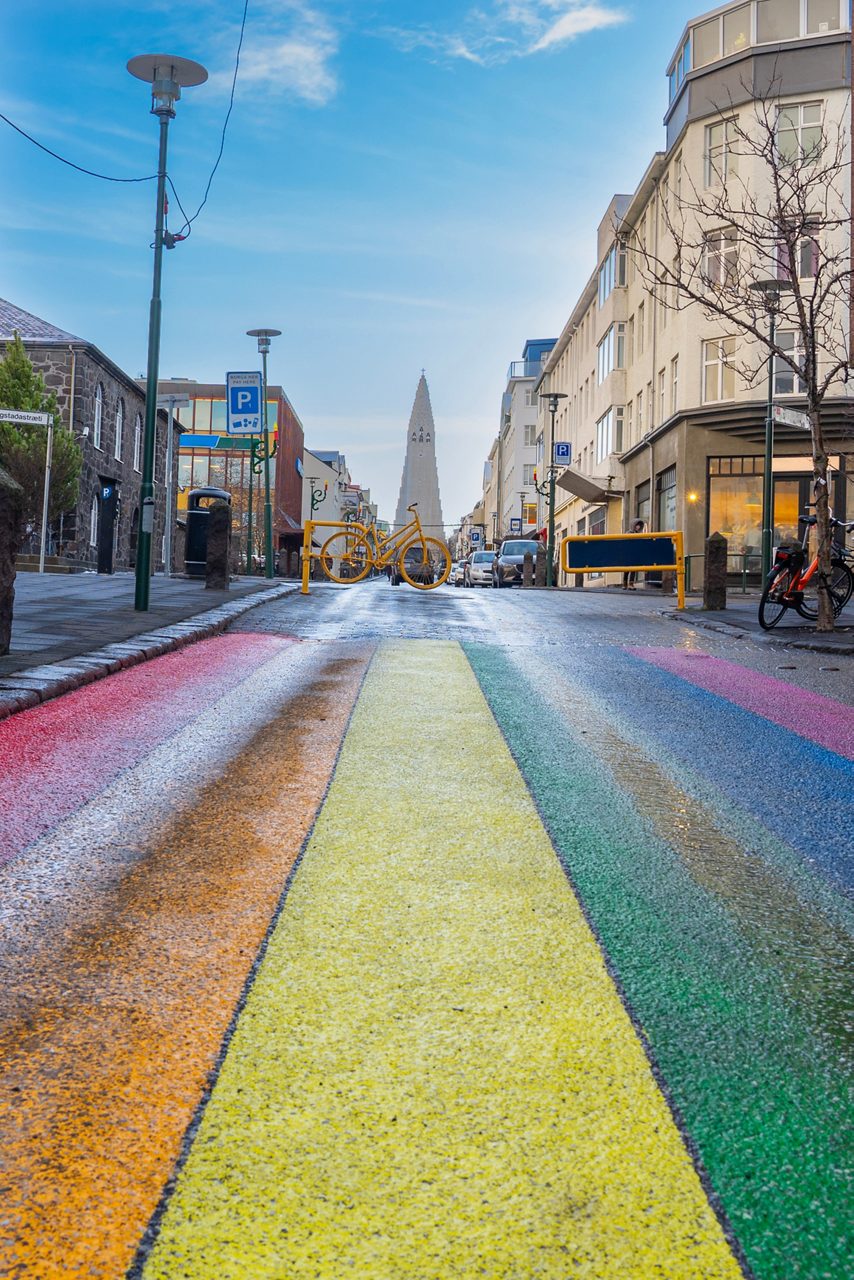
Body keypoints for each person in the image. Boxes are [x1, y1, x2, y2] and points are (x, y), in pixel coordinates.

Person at [623, 519, 645, 590]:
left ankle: (631, 584)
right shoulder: (628, 533)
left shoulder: (639, 534)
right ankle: (625, 583)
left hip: (635, 553)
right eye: (637, 525)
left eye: (639, 525)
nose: (638, 527)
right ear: (633, 525)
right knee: (626, 569)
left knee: (634, 569)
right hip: (628, 553)